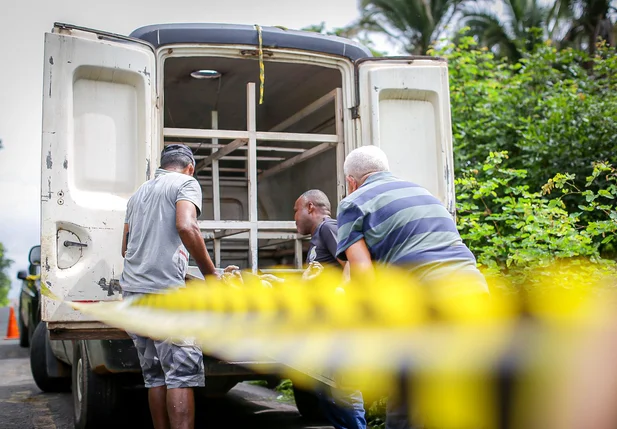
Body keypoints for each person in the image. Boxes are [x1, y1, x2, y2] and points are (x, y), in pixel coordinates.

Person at [335, 145, 488, 429]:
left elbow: (362, 272)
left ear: (351, 182)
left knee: (408, 403)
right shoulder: (424, 193)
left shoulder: (352, 203)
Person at [120, 143, 221, 429]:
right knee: (181, 376)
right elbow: (187, 226)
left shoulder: (138, 194)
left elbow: (125, 247)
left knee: (155, 377)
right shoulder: (186, 183)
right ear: (190, 167)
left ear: (162, 166)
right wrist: (211, 275)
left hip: (133, 296)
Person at [294, 189, 367, 429]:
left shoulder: (328, 227)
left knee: (342, 386)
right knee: (323, 387)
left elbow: (350, 262)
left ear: (310, 208)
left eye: (296, 211)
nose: (294, 217)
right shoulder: (317, 238)